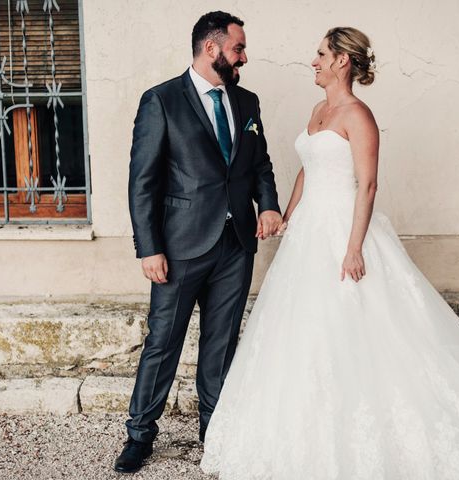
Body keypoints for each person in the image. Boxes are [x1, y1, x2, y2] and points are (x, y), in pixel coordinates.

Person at [200, 27, 459, 479]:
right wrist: (286, 216)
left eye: (320, 54)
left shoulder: (359, 115)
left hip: (344, 230)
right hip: (308, 232)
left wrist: (353, 248)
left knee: (360, 329)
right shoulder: (317, 111)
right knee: (304, 329)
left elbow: (367, 185)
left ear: (341, 62)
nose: (312, 62)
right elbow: (307, 172)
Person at [115, 11, 282, 474]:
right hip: (179, 246)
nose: (244, 57)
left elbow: (260, 163)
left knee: (221, 342)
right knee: (162, 343)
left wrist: (267, 204)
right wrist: (148, 247)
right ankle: (140, 434)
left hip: (235, 244)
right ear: (212, 49)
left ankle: (216, 429)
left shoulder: (247, 102)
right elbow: (142, 182)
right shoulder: (161, 101)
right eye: (238, 48)